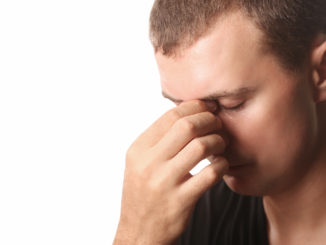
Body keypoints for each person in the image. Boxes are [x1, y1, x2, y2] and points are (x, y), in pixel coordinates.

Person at [113, 0, 326, 244]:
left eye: (231, 104)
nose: (206, 142)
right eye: (183, 109)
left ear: (321, 70)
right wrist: (137, 234)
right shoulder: (186, 218)